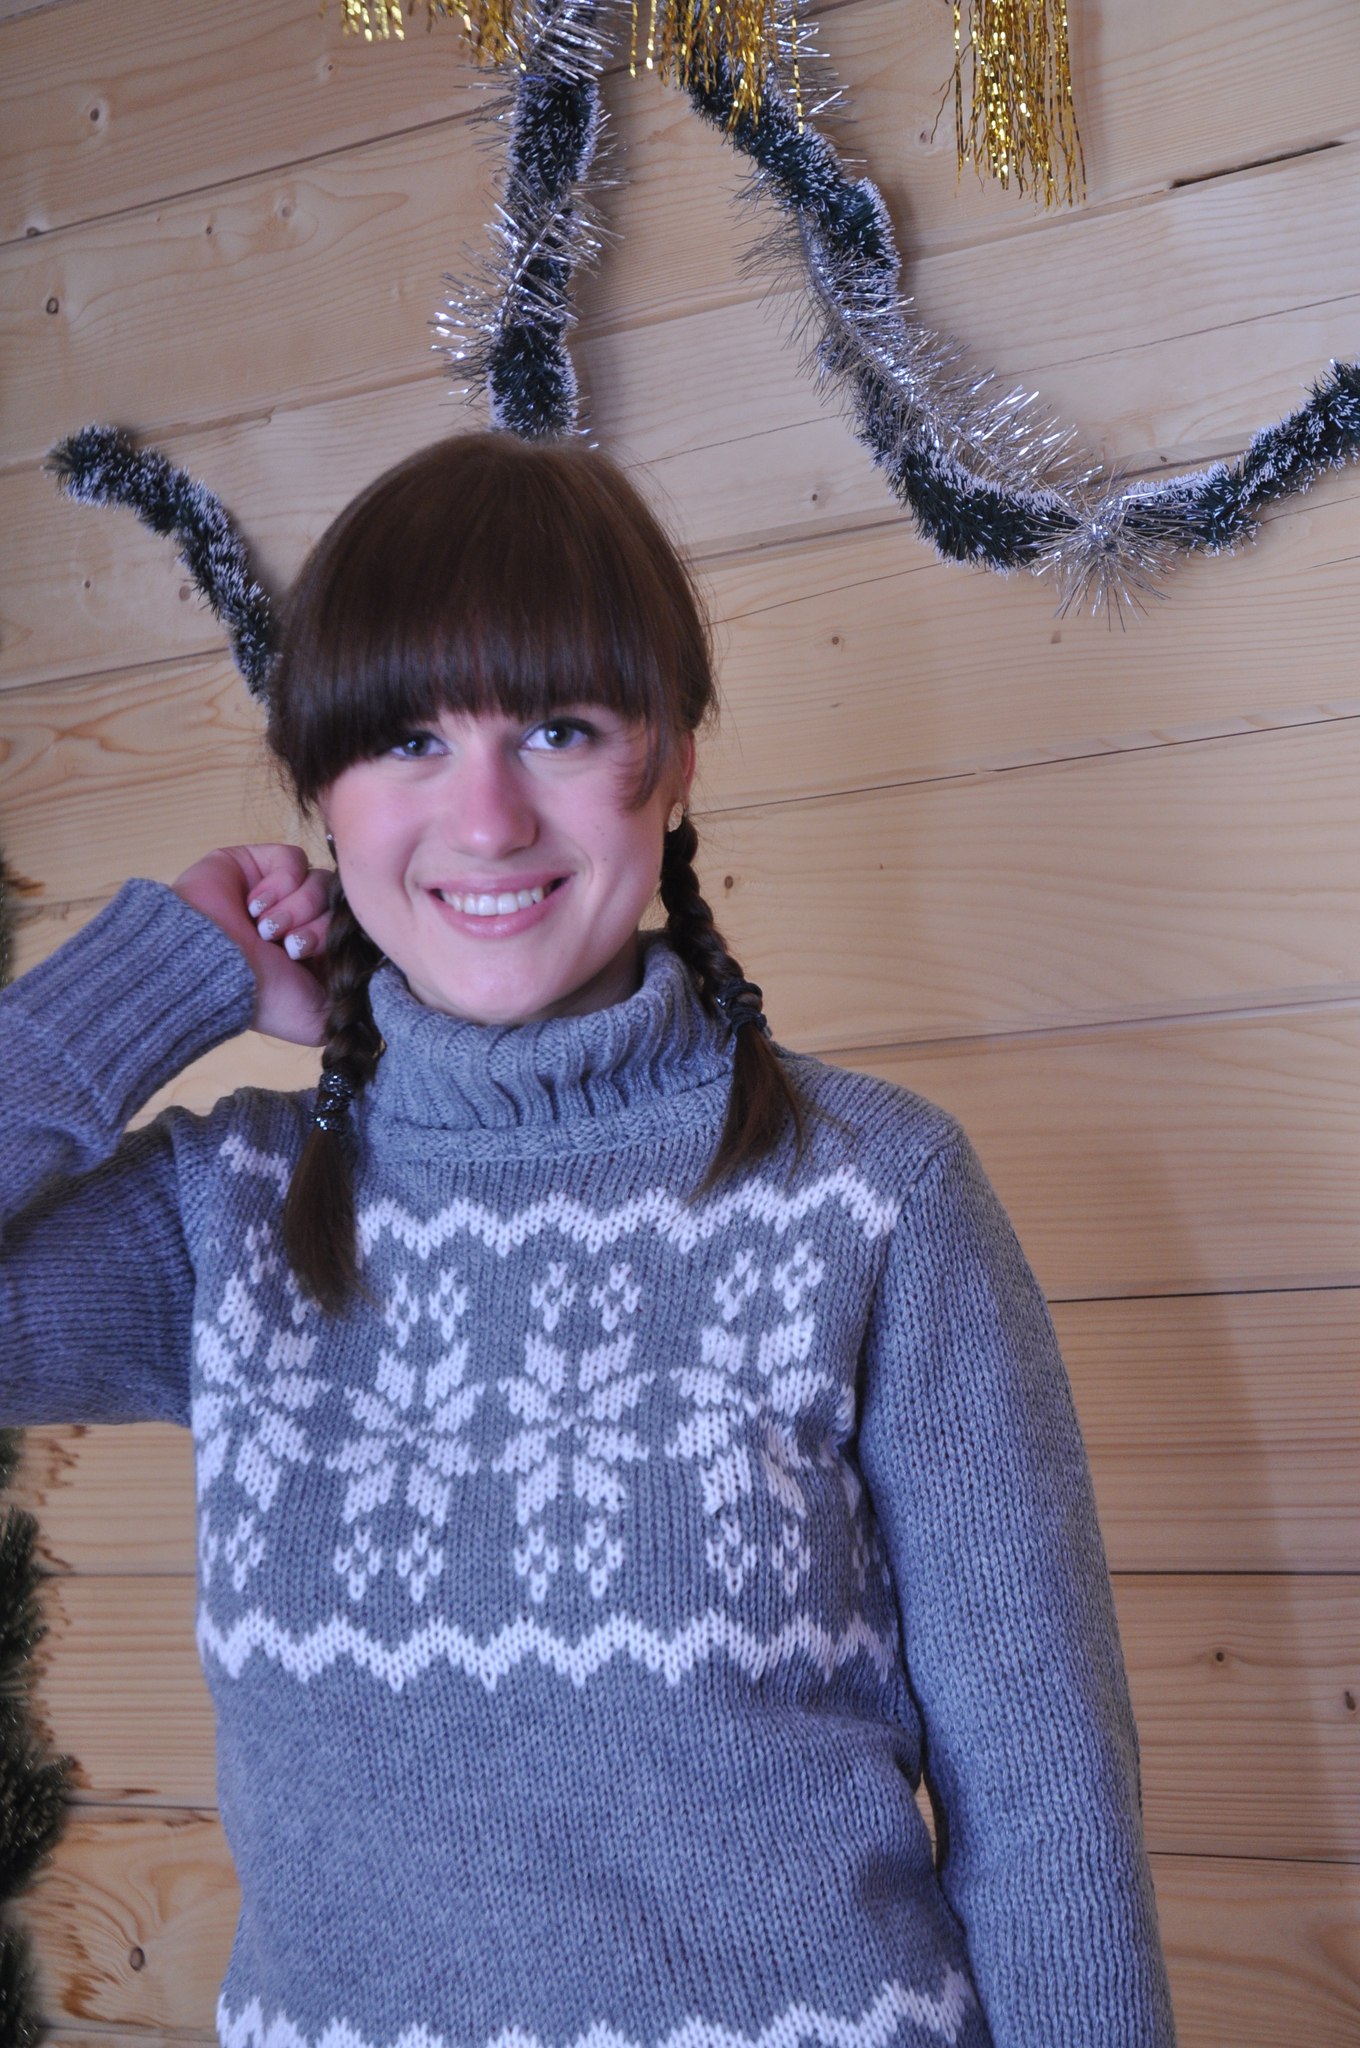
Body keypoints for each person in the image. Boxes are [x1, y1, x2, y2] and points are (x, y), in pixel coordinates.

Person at [0, 432, 1176, 2048]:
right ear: (319, 796)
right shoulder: (230, 1214)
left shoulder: (874, 1192)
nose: (485, 819)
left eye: (557, 729)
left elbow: (1047, 1801)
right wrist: (152, 981)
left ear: (672, 760)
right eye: (408, 739)